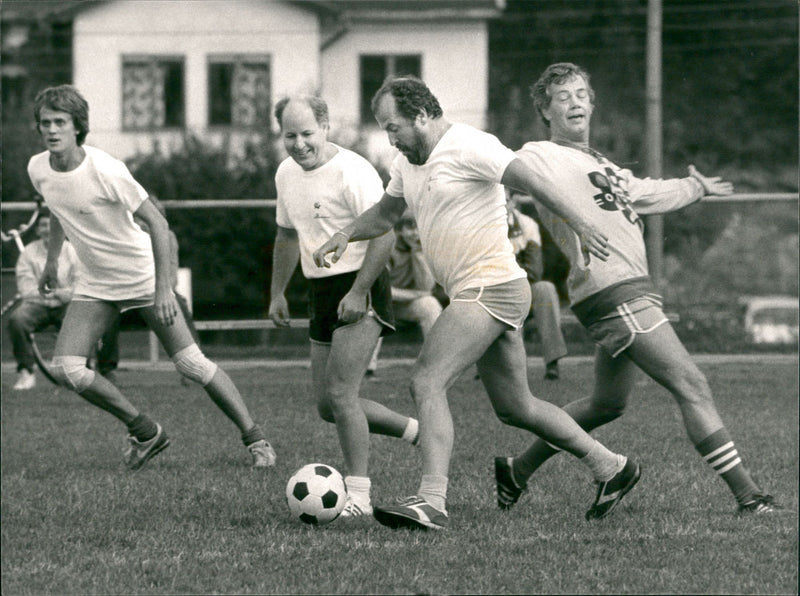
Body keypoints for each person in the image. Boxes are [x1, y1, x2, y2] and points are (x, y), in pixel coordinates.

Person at [313, 75, 640, 530]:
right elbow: (387, 214)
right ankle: (612, 467)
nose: (390, 137)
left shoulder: (471, 145)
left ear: (422, 116)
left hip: (492, 286)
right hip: (482, 292)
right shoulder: (407, 164)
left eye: (394, 127)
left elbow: (534, 180)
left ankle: (432, 500)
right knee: (516, 408)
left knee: (427, 380)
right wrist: (345, 232)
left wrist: (582, 224)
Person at [505, 62, 780, 515]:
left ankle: (517, 468)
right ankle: (748, 496)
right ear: (544, 109)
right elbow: (500, 170)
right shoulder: (538, 155)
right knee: (691, 382)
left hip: (622, 290)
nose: (575, 102)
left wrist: (695, 187)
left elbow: (645, 191)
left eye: (581, 94)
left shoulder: (599, 162)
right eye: (562, 97)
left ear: (592, 103)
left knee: (606, 404)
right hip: (614, 289)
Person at [27, 84, 276, 470]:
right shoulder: (38, 168)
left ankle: (256, 439)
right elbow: (58, 209)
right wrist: (51, 261)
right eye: (45, 123)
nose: (52, 130)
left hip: (143, 276)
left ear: (78, 127)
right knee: (70, 369)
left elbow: (158, 224)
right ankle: (145, 431)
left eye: (61, 122)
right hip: (97, 283)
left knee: (192, 365)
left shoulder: (106, 169)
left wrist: (163, 289)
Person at [269, 95, 421, 517]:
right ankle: (416, 431)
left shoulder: (352, 171)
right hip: (319, 291)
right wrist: (277, 292)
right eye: (289, 135)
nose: (299, 144)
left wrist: (358, 291)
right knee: (327, 405)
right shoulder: (285, 173)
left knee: (341, 393)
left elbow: (384, 234)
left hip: (361, 284)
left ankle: (360, 498)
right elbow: (285, 235)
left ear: (325, 127)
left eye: (307, 134)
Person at [95, 195, 201, 381]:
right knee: (106, 311)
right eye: (139, 218)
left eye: (150, 217)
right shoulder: (121, 237)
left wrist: (159, 292)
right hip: (125, 292)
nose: (143, 223)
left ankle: (195, 365)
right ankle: (106, 369)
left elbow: (171, 275)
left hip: (156, 292)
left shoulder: (167, 237)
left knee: (180, 305)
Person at [8, 211, 80, 390]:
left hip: (66, 306)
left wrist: (67, 295)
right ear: (38, 230)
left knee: (83, 321)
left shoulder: (72, 251)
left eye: (50, 224)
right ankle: (26, 373)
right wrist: (55, 294)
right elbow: (26, 288)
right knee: (17, 320)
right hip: (37, 306)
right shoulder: (28, 253)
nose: (47, 229)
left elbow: (82, 282)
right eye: (42, 225)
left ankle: (80, 372)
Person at [365, 212, 444, 375]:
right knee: (375, 311)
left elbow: (426, 286)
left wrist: (418, 253)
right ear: (399, 230)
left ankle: (437, 365)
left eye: (418, 228)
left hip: (404, 305)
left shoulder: (424, 248)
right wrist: (416, 295)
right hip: (380, 302)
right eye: (409, 227)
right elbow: (381, 290)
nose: (415, 233)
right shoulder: (388, 247)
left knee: (430, 305)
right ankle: (367, 368)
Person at [506, 189, 568, 380]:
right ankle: (499, 366)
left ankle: (552, 361)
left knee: (545, 289)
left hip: (521, 286)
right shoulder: (483, 225)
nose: (501, 205)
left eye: (505, 200)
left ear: (513, 203)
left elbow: (534, 270)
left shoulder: (526, 224)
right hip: (496, 291)